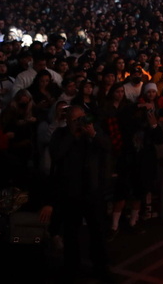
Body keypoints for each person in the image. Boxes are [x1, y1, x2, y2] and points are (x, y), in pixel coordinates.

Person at [49, 105, 114, 282]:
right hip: (70, 193)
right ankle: (72, 268)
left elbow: (107, 146)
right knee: (71, 234)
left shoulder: (93, 131)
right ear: (68, 121)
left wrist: (92, 134)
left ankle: (101, 267)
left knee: (98, 232)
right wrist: (72, 135)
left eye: (82, 118)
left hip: (92, 191)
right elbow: (56, 155)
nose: (80, 122)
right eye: (76, 120)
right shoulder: (61, 135)